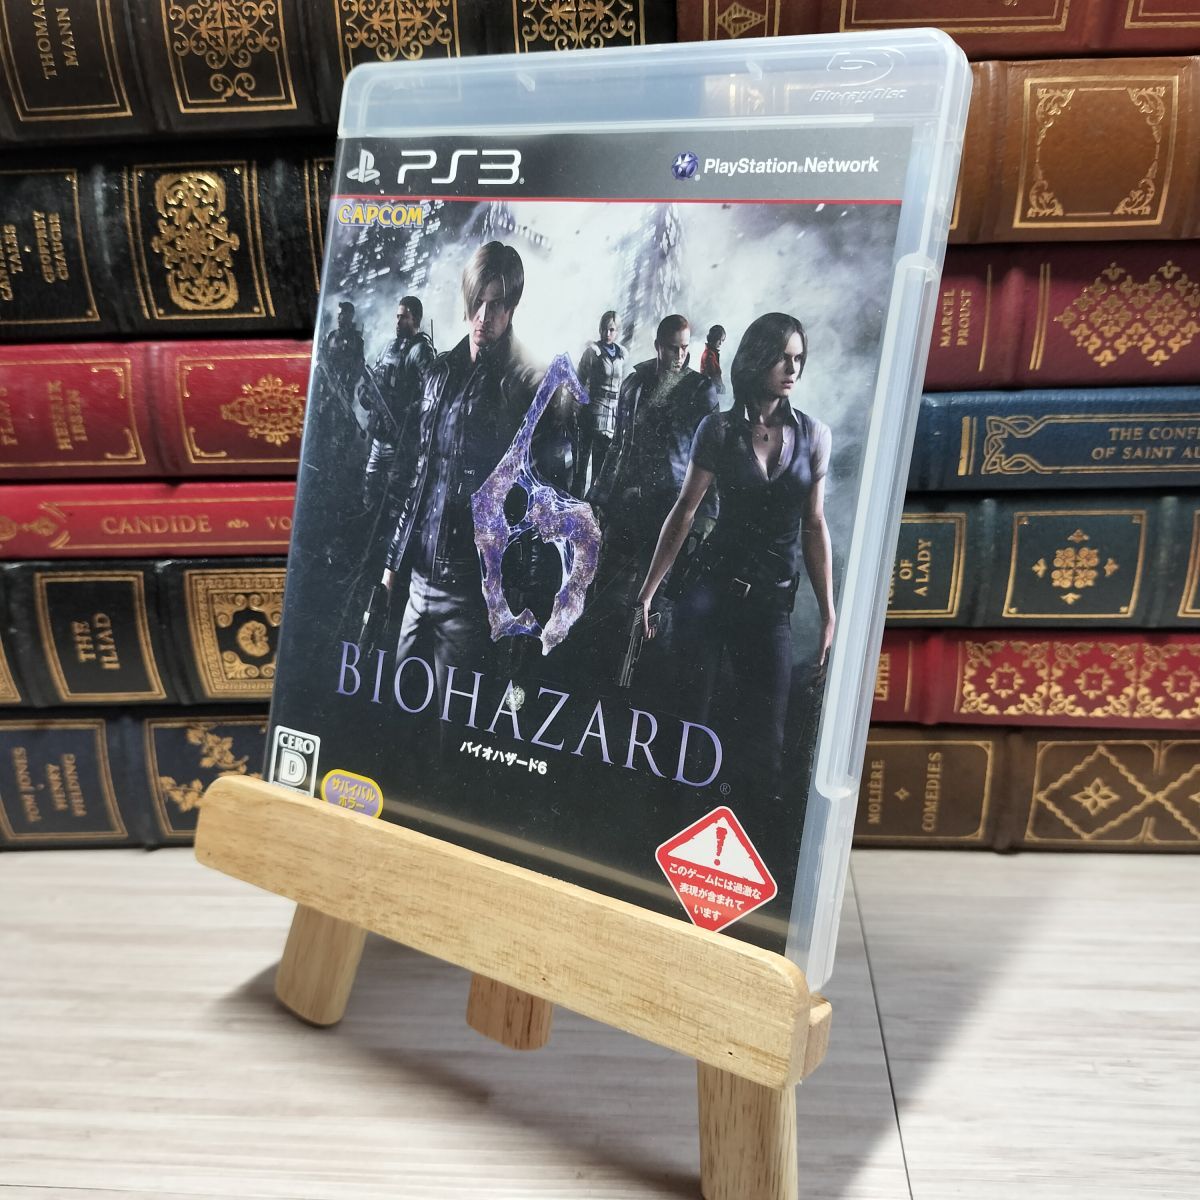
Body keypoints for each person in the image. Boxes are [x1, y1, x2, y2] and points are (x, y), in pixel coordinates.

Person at [363, 242, 575, 706]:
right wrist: (390, 572)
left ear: (512, 306)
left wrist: (526, 610)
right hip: (418, 582)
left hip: (475, 594)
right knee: (396, 715)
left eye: (496, 304)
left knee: (453, 725)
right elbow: (419, 479)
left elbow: (547, 511)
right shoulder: (440, 373)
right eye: (477, 301)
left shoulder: (533, 386)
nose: (483, 316)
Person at [634, 312, 835, 796]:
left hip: (771, 607)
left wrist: (829, 613)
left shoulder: (815, 436)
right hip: (710, 596)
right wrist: (648, 592)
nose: (792, 369)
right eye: (782, 358)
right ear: (756, 359)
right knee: (687, 734)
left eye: (798, 359)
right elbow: (685, 512)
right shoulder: (719, 429)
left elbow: (814, 525)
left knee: (765, 748)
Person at [585, 314, 718, 682]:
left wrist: (707, 515)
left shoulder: (699, 391)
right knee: (606, 595)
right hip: (626, 506)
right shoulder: (635, 382)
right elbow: (618, 445)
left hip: (670, 509)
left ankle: (645, 683)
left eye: (685, 348)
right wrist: (599, 497)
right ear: (658, 346)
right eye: (673, 348)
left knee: (655, 607)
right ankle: (599, 676)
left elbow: (711, 460)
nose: (680, 355)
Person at [361, 295, 436, 513]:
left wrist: (407, 413)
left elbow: (432, 394)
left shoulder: (421, 351)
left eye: (404, 317)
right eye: (397, 317)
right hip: (380, 435)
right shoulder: (388, 348)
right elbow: (374, 382)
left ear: (416, 319)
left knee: (397, 499)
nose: (398, 322)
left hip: (402, 440)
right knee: (370, 490)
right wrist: (365, 395)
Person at [573, 310, 628, 493]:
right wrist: (577, 406)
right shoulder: (592, 352)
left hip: (611, 414)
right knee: (581, 466)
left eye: (612, 330)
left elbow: (622, 384)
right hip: (591, 411)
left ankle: (593, 504)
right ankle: (575, 500)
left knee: (600, 467)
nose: (607, 333)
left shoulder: (621, 354)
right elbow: (579, 380)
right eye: (604, 329)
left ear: (617, 331)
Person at [699, 324, 726, 394]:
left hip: (712, 391)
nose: (720, 343)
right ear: (714, 338)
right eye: (719, 340)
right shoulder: (709, 355)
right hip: (710, 393)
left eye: (722, 340)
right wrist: (722, 389)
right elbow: (714, 377)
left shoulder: (711, 354)